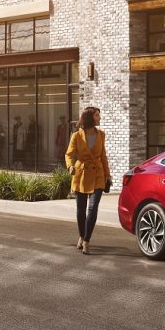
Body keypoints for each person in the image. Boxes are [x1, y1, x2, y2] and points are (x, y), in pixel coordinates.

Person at [65, 107, 111, 255]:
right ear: (90, 118)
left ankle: (86, 240)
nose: (100, 118)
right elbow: (69, 154)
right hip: (81, 174)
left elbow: (103, 156)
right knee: (80, 211)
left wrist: (108, 175)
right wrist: (70, 166)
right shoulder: (76, 136)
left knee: (92, 209)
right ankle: (81, 235)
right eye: (97, 115)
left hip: (98, 174)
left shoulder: (101, 135)